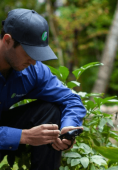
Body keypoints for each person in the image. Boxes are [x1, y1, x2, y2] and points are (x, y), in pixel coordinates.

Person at [0, 8, 86, 170]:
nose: (33, 62)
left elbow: (71, 99)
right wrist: (24, 136)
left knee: (49, 111)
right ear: (7, 41)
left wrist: (67, 127)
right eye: (29, 52)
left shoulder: (33, 70)